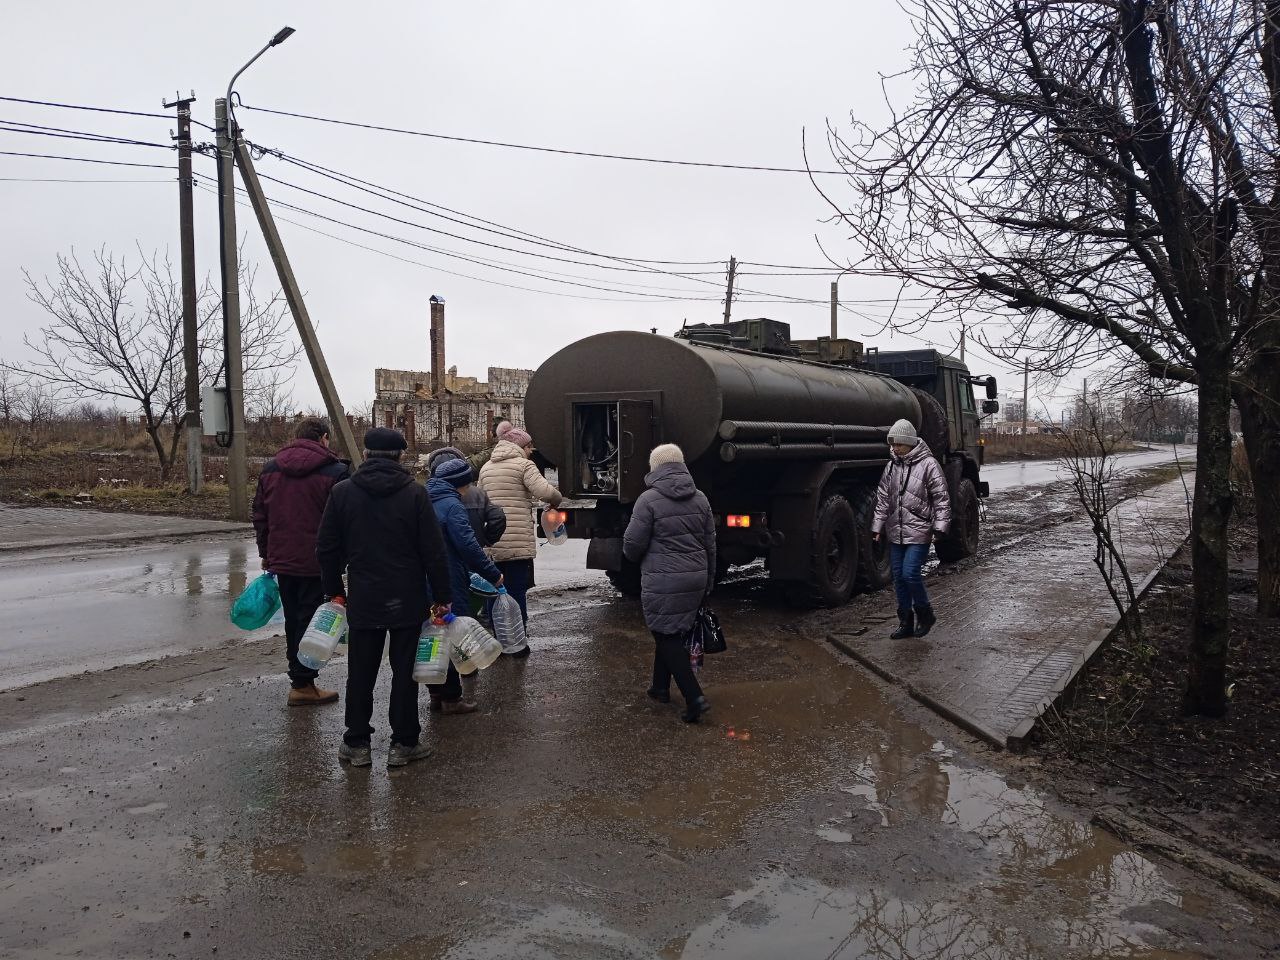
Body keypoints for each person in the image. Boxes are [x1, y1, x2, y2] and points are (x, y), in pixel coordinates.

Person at [316, 427, 453, 769]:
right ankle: (404, 743)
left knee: (360, 671)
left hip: (364, 596)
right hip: (406, 597)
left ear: (365, 454)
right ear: (401, 456)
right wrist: (442, 596)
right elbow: (433, 552)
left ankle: (357, 743)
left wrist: (334, 590)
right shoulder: (415, 494)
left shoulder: (343, 492)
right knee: (405, 672)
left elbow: (327, 548)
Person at [251, 417, 350, 707]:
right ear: (323, 438)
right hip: (319, 560)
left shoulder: (270, 469)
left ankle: (300, 679)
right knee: (312, 619)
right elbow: (343, 521)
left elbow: (260, 515)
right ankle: (303, 682)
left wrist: (266, 553)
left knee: (294, 619)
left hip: (283, 559)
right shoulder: (336, 472)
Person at [622, 443, 715, 723]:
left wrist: (634, 557)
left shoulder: (647, 500)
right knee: (669, 630)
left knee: (666, 635)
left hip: (663, 579)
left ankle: (694, 697)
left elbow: (632, 545)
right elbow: (711, 544)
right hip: (696, 577)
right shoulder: (700, 498)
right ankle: (659, 687)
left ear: (655, 468)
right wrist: (708, 582)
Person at [426, 457, 504, 713]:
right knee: (450, 631)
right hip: (448, 576)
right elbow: (468, 545)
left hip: (423, 576)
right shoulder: (452, 505)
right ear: (463, 483)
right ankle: (452, 698)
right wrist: (492, 573)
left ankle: (435, 693)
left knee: (431, 633)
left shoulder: (422, 498)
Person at [477, 424, 564, 650]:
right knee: (515, 589)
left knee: (493, 589)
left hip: (492, 541)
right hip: (516, 541)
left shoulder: (486, 468)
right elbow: (545, 492)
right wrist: (557, 499)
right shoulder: (524, 466)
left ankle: (497, 636)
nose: (531, 450)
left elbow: (478, 501)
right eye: (529, 446)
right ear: (521, 446)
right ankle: (517, 640)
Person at [871, 418, 951, 639]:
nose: (894, 448)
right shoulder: (891, 466)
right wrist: (877, 527)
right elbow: (883, 500)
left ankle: (926, 614)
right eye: (893, 443)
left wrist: (940, 527)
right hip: (896, 531)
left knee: (910, 573)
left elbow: (941, 499)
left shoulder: (929, 465)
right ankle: (905, 622)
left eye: (898, 444)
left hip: (920, 530)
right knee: (898, 577)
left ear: (910, 442)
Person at [427, 446, 506, 549]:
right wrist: (485, 540)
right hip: (474, 553)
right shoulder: (477, 494)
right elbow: (498, 517)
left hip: (441, 555)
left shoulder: (426, 494)